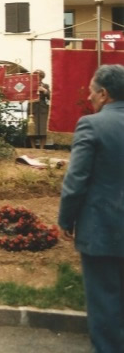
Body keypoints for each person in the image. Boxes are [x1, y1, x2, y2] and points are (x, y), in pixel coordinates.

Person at [58, 64, 124, 353]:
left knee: (104, 301)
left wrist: (65, 220)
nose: (90, 97)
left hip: (103, 229)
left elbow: (76, 180)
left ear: (105, 94)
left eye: (92, 92)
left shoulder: (92, 125)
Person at [28, 69, 50, 149]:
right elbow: (24, 94)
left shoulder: (46, 86)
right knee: (32, 129)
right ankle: (33, 148)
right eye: (36, 76)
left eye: (39, 76)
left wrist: (44, 91)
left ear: (42, 77)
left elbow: (50, 97)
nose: (38, 77)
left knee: (43, 129)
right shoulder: (29, 85)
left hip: (42, 109)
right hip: (32, 108)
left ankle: (41, 148)